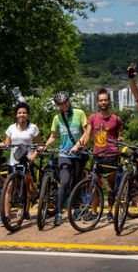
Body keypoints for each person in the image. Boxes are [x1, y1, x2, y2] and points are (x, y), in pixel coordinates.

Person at [43, 91, 90, 227]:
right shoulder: (57, 118)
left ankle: (76, 209)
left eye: (65, 102)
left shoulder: (79, 113)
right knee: (64, 182)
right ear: (58, 105)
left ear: (69, 101)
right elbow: (53, 136)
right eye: (60, 104)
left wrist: (78, 145)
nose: (63, 105)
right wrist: (44, 146)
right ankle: (58, 213)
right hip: (64, 154)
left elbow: (87, 131)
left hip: (79, 154)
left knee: (77, 182)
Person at [0, 102, 41, 221]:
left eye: (24, 112)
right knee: (9, 187)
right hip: (13, 162)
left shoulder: (33, 128)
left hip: (27, 161)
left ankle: (26, 211)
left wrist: (34, 155)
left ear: (27, 114)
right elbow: (7, 143)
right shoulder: (11, 128)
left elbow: (39, 144)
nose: (21, 115)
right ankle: (6, 215)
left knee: (26, 187)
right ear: (16, 115)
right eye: (19, 113)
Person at [87, 88, 123, 220]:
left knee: (111, 185)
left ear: (109, 101)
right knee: (94, 183)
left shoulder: (116, 119)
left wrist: (120, 139)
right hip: (97, 155)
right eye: (101, 100)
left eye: (105, 100)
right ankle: (94, 212)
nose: (103, 102)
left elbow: (119, 134)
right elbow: (87, 135)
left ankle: (110, 211)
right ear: (97, 102)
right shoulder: (92, 118)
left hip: (112, 155)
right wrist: (80, 145)